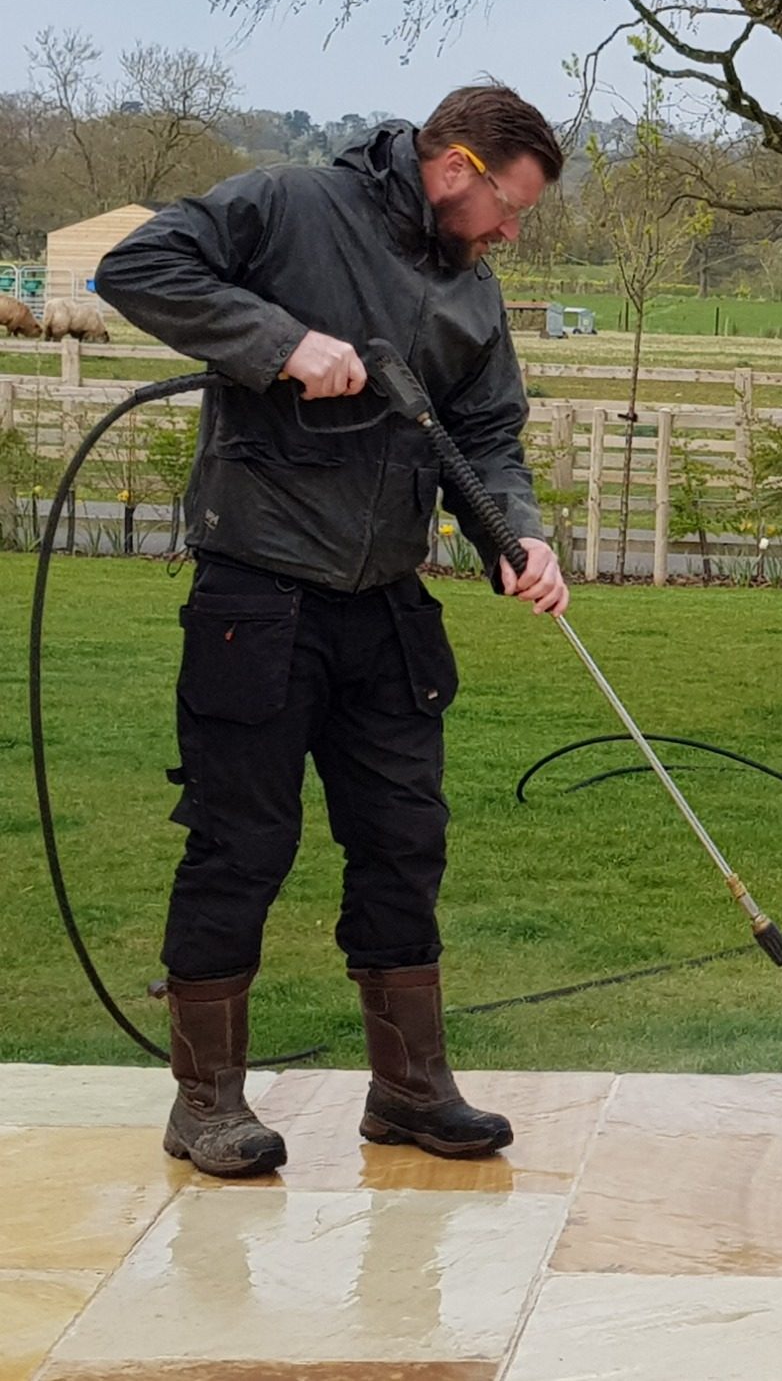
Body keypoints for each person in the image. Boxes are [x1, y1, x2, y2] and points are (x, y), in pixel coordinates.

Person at [95, 84, 569, 1178]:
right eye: (508, 208)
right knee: (242, 843)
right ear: (455, 167)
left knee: (404, 840)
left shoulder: (471, 290)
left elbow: (486, 434)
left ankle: (408, 1090)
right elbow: (137, 268)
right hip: (257, 598)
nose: (509, 233)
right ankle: (206, 1104)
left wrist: (516, 534)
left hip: (387, 608)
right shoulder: (290, 205)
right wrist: (281, 342)